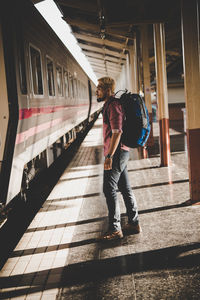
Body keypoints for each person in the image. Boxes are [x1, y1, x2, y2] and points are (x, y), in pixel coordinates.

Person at [96, 76, 141, 241]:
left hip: (116, 153)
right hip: (120, 153)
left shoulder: (113, 105)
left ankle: (115, 228)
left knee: (109, 189)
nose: (97, 91)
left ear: (107, 90)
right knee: (125, 188)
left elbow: (117, 132)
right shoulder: (109, 105)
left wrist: (109, 155)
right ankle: (134, 223)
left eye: (99, 88)